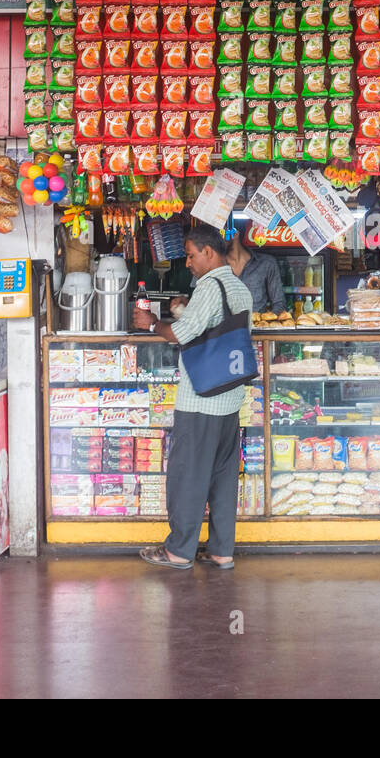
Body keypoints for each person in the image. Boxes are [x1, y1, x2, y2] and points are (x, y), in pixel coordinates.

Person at [133, 225, 252, 569]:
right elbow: (219, 328)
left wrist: (153, 323)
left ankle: (179, 551)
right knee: (222, 478)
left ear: (209, 253)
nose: (187, 262)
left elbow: (182, 334)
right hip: (230, 398)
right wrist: (187, 308)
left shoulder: (210, 287)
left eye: (190, 254)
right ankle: (221, 550)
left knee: (187, 476)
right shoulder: (239, 288)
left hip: (200, 398)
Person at [226, 229, 287, 315]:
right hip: (227, 328)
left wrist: (264, 321)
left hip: (258, 326)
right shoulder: (216, 268)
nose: (215, 240)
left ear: (234, 234)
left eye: (220, 232)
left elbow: (280, 304)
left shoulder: (267, 263)